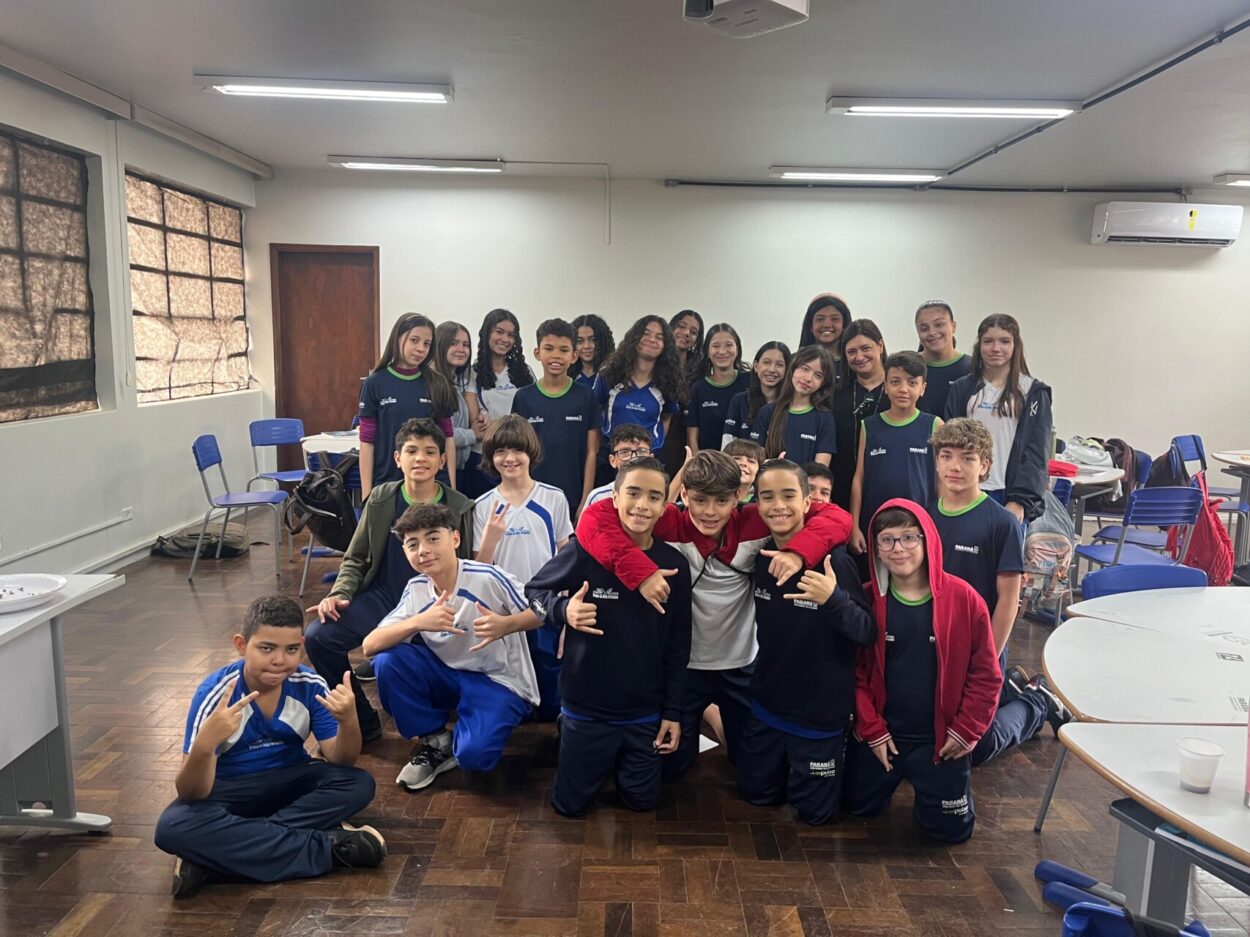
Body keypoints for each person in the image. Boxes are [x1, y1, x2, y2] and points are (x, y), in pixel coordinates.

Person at [576, 449, 853, 781]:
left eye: (721, 500)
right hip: (685, 669)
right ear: (682, 495)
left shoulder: (756, 520)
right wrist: (640, 572)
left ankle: (718, 720)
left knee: (746, 766)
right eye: (700, 500)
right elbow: (593, 517)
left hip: (741, 664)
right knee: (672, 769)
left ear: (738, 496)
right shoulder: (666, 522)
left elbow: (838, 518)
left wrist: (798, 551)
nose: (710, 511)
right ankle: (704, 715)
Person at [155, 596, 383, 898]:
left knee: (358, 783)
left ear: (301, 644)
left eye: (291, 649)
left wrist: (349, 721)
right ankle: (329, 848)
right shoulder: (215, 693)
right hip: (227, 789)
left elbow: (341, 759)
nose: (280, 660)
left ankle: (215, 857)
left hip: (289, 780)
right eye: (266, 648)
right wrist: (205, 746)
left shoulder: (309, 683)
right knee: (171, 826)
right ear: (241, 645)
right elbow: (190, 792)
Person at [525, 457, 693, 816]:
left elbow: (679, 647)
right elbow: (534, 593)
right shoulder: (584, 553)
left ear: (665, 505)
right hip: (586, 707)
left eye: (653, 497)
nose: (642, 505)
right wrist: (562, 611)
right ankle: (576, 742)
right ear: (614, 497)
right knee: (570, 808)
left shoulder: (675, 563)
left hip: (644, 711)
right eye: (633, 493)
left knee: (643, 803)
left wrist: (672, 713)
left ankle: (616, 762)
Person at [305, 419, 474, 740]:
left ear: (442, 460)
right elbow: (355, 557)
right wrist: (339, 593)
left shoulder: (460, 506)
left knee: (391, 662)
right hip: (382, 599)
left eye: (429, 452)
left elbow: (467, 567)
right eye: (411, 451)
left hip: (435, 607)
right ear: (398, 458)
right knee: (318, 636)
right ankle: (361, 720)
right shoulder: (382, 498)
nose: (420, 458)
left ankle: (431, 720)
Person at [845, 501, 1001, 843]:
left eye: (908, 538)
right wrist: (871, 729)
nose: (898, 548)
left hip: (942, 740)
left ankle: (1030, 705)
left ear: (927, 539)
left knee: (950, 832)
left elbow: (986, 675)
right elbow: (855, 674)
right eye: (887, 540)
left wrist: (967, 730)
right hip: (884, 735)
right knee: (856, 807)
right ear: (876, 548)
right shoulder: (867, 600)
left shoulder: (964, 599)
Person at [364, 504, 542, 791]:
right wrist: (418, 622)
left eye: (433, 538)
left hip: (498, 681)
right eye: (413, 544)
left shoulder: (486, 577)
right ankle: (436, 741)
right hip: (450, 674)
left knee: (474, 758)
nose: (423, 549)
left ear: (455, 539)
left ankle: (475, 728)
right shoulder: (416, 589)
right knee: (387, 660)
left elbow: (543, 612)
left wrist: (505, 625)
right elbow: (369, 645)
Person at [737, 460, 875, 825]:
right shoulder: (759, 555)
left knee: (816, 815)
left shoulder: (836, 563)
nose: (778, 505)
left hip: (819, 714)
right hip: (768, 703)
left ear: (806, 503)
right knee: (756, 795)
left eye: (788, 496)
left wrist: (834, 599)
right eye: (767, 497)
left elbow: (866, 631)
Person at [928, 418, 1068, 766]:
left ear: (985, 466)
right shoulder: (926, 517)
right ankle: (1009, 689)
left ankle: (1036, 703)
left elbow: (1008, 598)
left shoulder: (1001, 522)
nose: (955, 466)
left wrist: (988, 655)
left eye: (968, 458)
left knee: (972, 748)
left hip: (981, 647)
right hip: (935, 645)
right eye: (946, 456)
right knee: (932, 734)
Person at [473, 414, 572, 720]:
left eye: (517, 450)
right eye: (500, 451)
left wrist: (566, 615)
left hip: (546, 607)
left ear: (531, 452)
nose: (509, 458)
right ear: (491, 457)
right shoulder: (482, 505)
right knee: (512, 688)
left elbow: (567, 559)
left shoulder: (553, 498)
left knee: (549, 683)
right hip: (503, 610)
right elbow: (479, 571)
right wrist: (490, 540)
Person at [944, 314, 1053, 523]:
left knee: (1006, 556)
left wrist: (1021, 500)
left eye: (1004, 341)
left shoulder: (1033, 392)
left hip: (1009, 495)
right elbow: (949, 446)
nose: (996, 348)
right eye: (988, 341)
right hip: (969, 491)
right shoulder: (962, 389)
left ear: (1015, 345)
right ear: (979, 346)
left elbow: (1037, 452)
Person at [850, 351, 942, 556]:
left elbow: (941, 481)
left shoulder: (934, 425)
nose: (903, 389)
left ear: (922, 388)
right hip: (875, 525)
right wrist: (854, 526)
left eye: (912, 382)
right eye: (895, 381)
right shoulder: (870, 425)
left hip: (919, 526)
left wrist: (940, 524)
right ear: (885, 386)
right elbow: (859, 477)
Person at [358, 313, 458, 497]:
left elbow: (449, 439)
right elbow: (366, 443)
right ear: (397, 339)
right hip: (388, 484)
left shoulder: (437, 383)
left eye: (426, 344)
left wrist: (451, 488)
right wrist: (367, 495)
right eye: (414, 340)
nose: (420, 348)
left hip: (432, 484)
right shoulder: (374, 383)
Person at [511, 318, 602, 515]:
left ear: (574, 355)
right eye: (549, 348)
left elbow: (591, 452)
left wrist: (586, 499)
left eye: (564, 350)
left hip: (573, 499)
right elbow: (516, 452)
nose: (556, 356)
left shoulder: (586, 397)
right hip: (531, 497)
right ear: (537, 353)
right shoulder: (523, 398)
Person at [592, 315, 687, 485]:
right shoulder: (610, 375)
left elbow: (666, 417)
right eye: (646, 334)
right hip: (612, 461)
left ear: (666, 346)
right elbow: (595, 412)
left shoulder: (669, 382)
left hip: (650, 461)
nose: (652, 340)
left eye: (659, 337)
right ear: (634, 338)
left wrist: (653, 445)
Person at [830, 319, 889, 510]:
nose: (859, 356)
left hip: (887, 488)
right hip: (841, 489)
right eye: (851, 352)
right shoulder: (835, 395)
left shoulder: (899, 392)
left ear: (880, 346)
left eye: (866, 348)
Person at [748, 346, 837, 466]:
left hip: (805, 484)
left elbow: (820, 471)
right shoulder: (767, 412)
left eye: (818, 375)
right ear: (793, 369)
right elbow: (755, 461)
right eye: (805, 369)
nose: (808, 378)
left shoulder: (824, 418)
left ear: (823, 383)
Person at [432, 321, 491, 498]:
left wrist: (484, 416)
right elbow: (437, 432)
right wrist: (473, 435)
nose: (461, 349)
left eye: (466, 345)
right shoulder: (432, 384)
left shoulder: (457, 382)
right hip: (439, 472)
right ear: (440, 345)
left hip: (460, 468)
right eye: (453, 343)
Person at [466, 308, 535, 442]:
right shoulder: (472, 373)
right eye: (499, 332)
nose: (505, 339)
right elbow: (476, 423)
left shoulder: (525, 371)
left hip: (517, 446)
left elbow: (533, 411)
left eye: (511, 335)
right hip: (483, 450)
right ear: (487, 334)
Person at [685, 324, 749, 454]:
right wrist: (698, 464)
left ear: (737, 349)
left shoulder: (750, 381)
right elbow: (692, 437)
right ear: (708, 352)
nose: (722, 351)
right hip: (709, 465)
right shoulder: (698, 388)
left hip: (745, 464)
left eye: (729, 345)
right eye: (715, 346)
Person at [658, 309, 705, 476]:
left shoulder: (701, 369)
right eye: (681, 326)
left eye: (693, 332)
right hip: (660, 438)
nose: (686, 333)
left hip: (688, 438)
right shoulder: (655, 363)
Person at [723, 341, 791, 446]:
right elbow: (728, 442)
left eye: (779, 365)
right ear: (756, 366)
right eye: (766, 362)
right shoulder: (739, 400)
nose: (772, 369)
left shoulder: (792, 404)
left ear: (787, 370)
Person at [914, 301, 970, 418]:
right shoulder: (909, 367)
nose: (932, 333)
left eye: (939, 325)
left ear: (953, 326)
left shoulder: (973, 367)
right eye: (924, 328)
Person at [582, 423, 654, 510]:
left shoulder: (659, 495)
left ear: (651, 458)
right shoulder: (598, 497)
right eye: (625, 452)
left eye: (641, 451)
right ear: (613, 461)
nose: (634, 458)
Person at [796, 294, 852, 380]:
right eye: (820, 319)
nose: (827, 325)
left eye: (834, 319)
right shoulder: (795, 361)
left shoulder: (853, 363)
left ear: (844, 325)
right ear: (810, 326)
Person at [571, 314, 615, 389]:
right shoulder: (566, 377)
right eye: (580, 341)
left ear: (603, 341)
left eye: (593, 340)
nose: (586, 346)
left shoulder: (614, 375)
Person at [723, 437, 765, 504]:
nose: (743, 463)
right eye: (737, 458)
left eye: (751, 461)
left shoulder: (760, 504)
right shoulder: (711, 497)